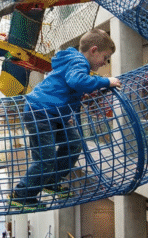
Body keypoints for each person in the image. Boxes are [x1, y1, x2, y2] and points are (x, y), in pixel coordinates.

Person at [10, 29, 121, 210]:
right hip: (40, 112)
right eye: (105, 57)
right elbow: (77, 82)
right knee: (45, 159)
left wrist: (68, 116)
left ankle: (51, 180)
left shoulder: (77, 63)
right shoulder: (78, 63)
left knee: (73, 143)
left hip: (55, 115)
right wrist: (106, 81)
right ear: (94, 50)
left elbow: (71, 91)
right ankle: (21, 195)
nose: (104, 62)